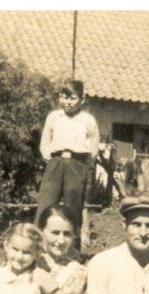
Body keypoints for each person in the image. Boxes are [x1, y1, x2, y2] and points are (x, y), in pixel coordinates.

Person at [35, 79, 100, 237]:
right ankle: (38, 245)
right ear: (59, 97)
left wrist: (82, 165)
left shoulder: (88, 120)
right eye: (64, 97)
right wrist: (51, 159)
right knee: (45, 205)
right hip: (55, 164)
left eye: (72, 98)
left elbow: (93, 149)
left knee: (73, 209)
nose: (68, 102)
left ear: (82, 99)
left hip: (77, 165)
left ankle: (72, 248)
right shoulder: (54, 117)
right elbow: (45, 143)